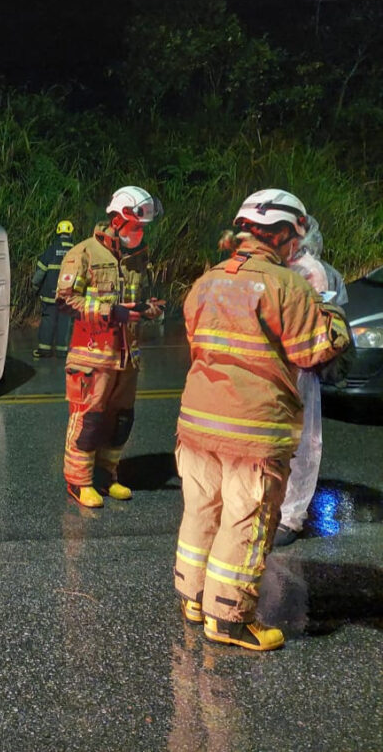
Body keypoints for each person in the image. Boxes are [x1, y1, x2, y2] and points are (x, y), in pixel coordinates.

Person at [173, 189, 351, 651]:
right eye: (296, 236)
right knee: (246, 521)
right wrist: (329, 311)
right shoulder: (287, 286)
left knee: (201, 512)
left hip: (196, 424)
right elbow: (316, 349)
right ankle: (229, 619)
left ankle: (194, 599)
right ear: (285, 236)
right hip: (251, 430)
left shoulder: (207, 279)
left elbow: (195, 338)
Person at [55, 186, 164, 509]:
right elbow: (65, 300)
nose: (140, 233)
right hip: (92, 355)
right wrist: (108, 311)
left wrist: (149, 308)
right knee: (89, 419)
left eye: (143, 228)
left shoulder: (136, 258)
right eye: (136, 226)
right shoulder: (84, 253)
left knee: (120, 420)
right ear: (117, 219)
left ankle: (106, 476)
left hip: (127, 355)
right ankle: (79, 481)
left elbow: (137, 296)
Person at [276, 215, 346, 546]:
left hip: (298, 365)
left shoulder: (309, 270)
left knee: (301, 440)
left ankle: (290, 517)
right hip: (276, 364)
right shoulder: (277, 266)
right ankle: (274, 507)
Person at [32, 220, 76, 359]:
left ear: (58, 232)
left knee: (48, 320)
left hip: (50, 293)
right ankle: (63, 351)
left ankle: (44, 350)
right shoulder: (76, 251)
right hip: (67, 295)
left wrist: (35, 285)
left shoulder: (51, 249)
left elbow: (40, 271)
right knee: (65, 321)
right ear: (70, 233)